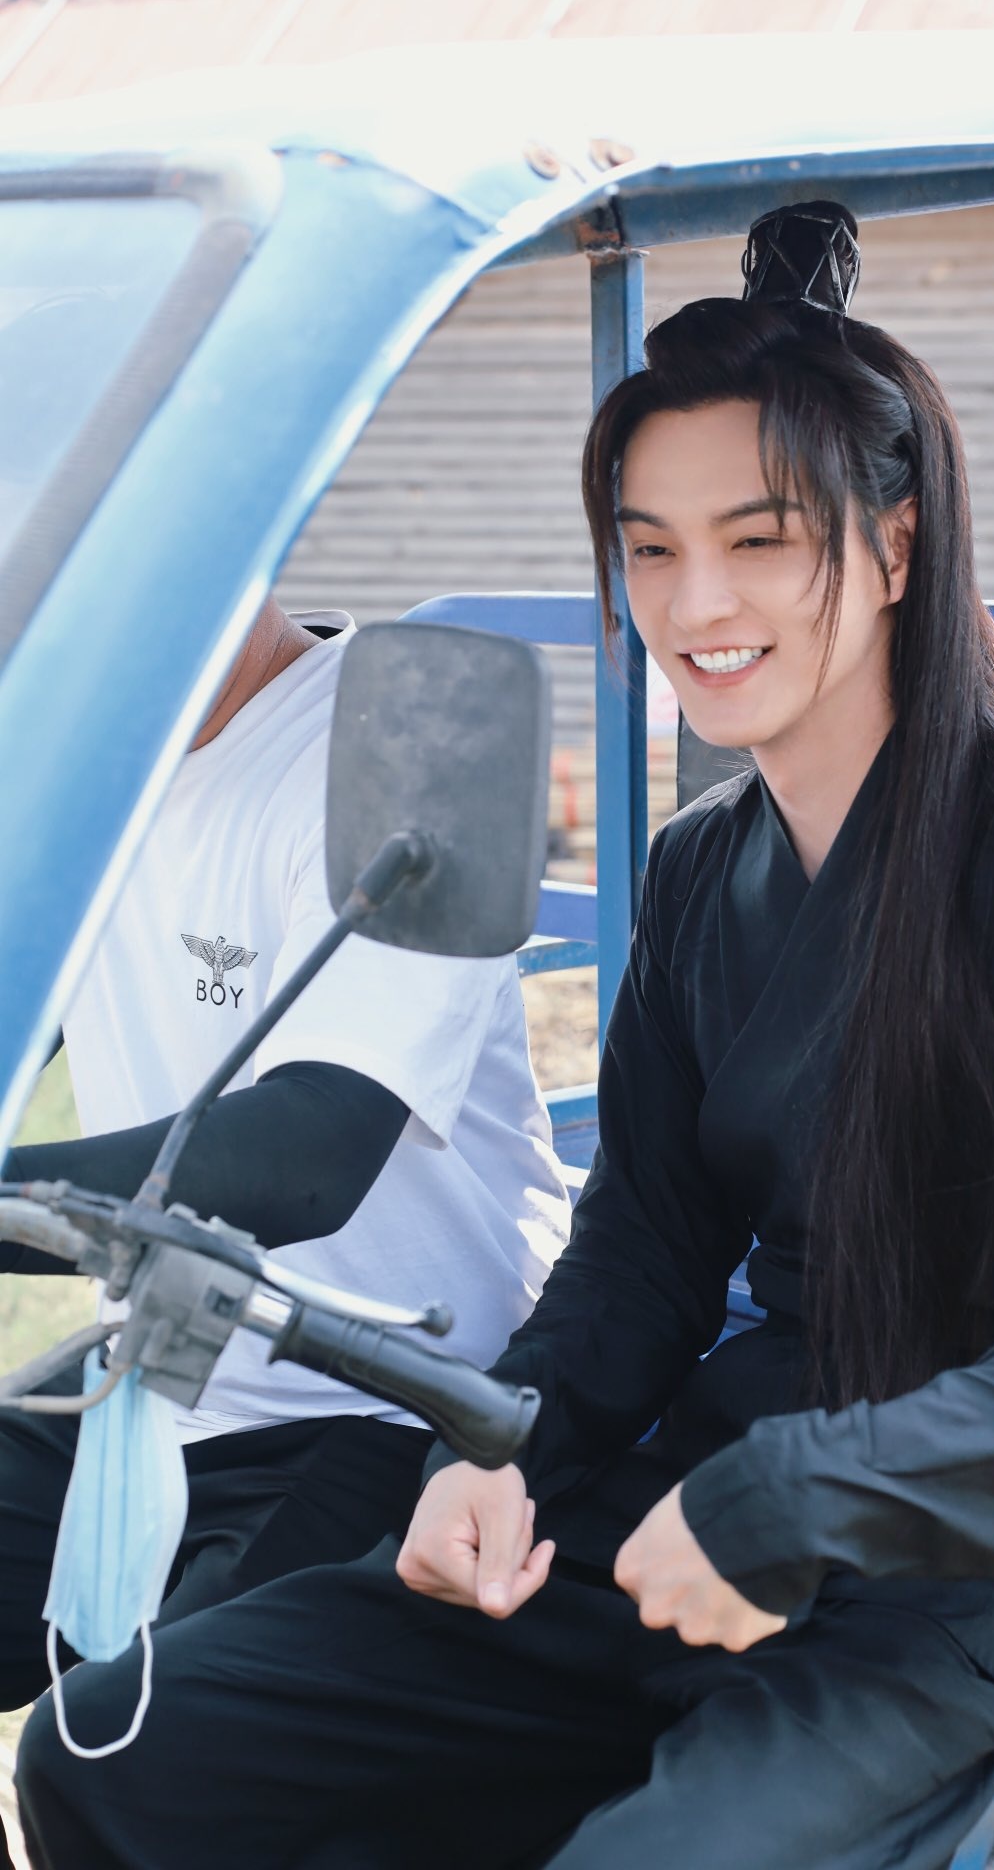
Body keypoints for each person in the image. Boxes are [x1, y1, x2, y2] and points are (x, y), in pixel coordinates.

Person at [16, 204, 994, 1870]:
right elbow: (646, 1252)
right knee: (131, 1753)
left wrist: (791, 1500)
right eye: (650, 546)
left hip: (964, 1575)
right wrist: (501, 1451)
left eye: (760, 539)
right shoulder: (700, 868)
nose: (695, 599)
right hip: (693, 1504)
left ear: (895, 548)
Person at [1, 598, 569, 1868]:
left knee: (107, 1760)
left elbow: (309, 1157)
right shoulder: (74, 750)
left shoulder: (420, 737)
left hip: (390, 1399)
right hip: (163, 1367)